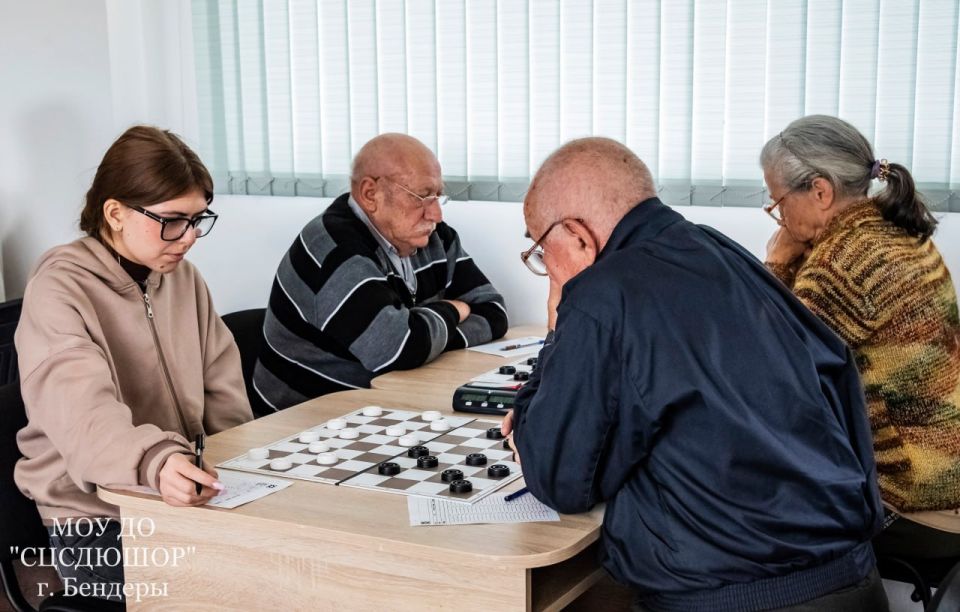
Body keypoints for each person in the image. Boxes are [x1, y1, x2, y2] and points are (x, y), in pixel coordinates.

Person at [502, 137, 888, 611]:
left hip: (734, 596)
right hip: (853, 579)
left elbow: (560, 479)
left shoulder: (605, 295)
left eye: (541, 251)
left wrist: (558, 329)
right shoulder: (720, 250)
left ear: (578, 237)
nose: (546, 268)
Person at [14, 126, 253, 601]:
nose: (187, 238)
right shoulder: (60, 290)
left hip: (181, 492)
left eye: (197, 219)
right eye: (171, 220)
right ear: (115, 213)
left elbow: (224, 395)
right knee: (237, 592)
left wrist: (244, 468)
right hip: (94, 521)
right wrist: (155, 460)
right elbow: (86, 417)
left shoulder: (182, 280)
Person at [761, 114, 960, 559]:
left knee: (740, 520)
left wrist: (775, 263)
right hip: (947, 471)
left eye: (777, 203)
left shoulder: (841, 264)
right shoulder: (899, 230)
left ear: (819, 191)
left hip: (911, 498)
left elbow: (766, 368)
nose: (779, 218)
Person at [253, 133, 508, 412]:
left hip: (384, 407)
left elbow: (494, 312)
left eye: (438, 196)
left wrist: (425, 340)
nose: (436, 214)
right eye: (422, 196)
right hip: (305, 423)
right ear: (370, 194)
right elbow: (396, 349)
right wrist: (453, 310)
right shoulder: (334, 248)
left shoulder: (435, 238)